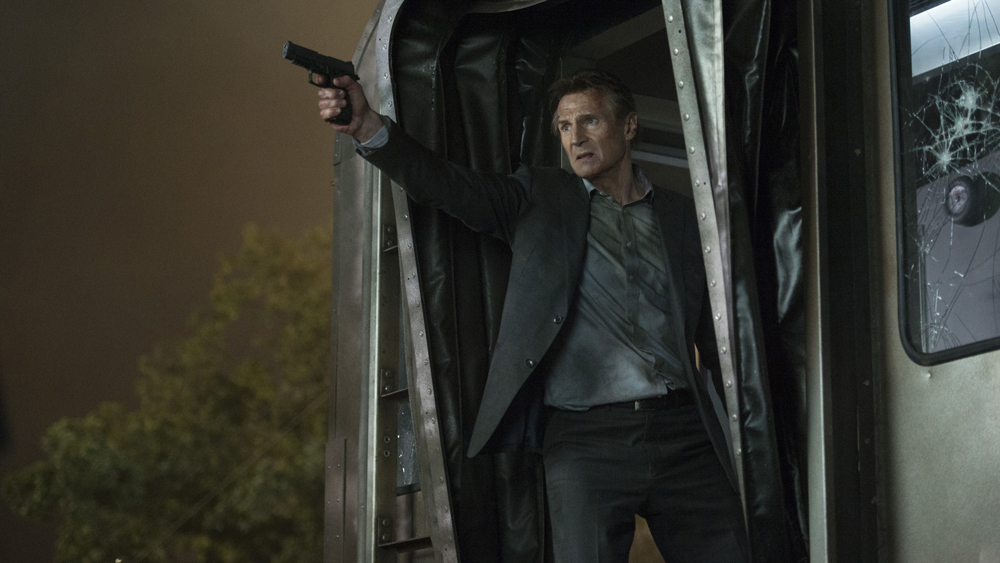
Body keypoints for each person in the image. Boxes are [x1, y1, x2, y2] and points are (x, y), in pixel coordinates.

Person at [316, 68, 748, 563]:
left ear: (628, 126)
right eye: (564, 126)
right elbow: (447, 185)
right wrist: (368, 127)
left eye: (589, 121)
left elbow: (721, 324)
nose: (575, 137)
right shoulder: (539, 198)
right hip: (586, 440)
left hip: (684, 432)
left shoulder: (682, 215)